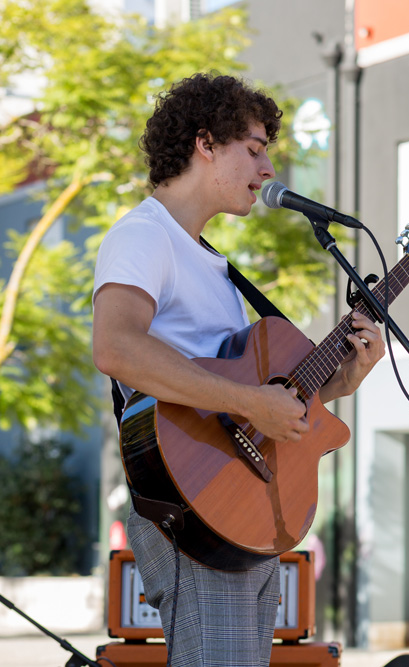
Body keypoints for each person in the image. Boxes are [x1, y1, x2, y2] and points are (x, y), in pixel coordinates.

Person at [92, 72, 384, 667]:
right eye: (254, 150)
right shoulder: (145, 236)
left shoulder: (213, 265)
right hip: (191, 508)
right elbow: (116, 347)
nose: (268, 169)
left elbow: (256, 394)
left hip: (243, 514)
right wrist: (251, 404)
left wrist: (345, 377)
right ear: (205, 143)